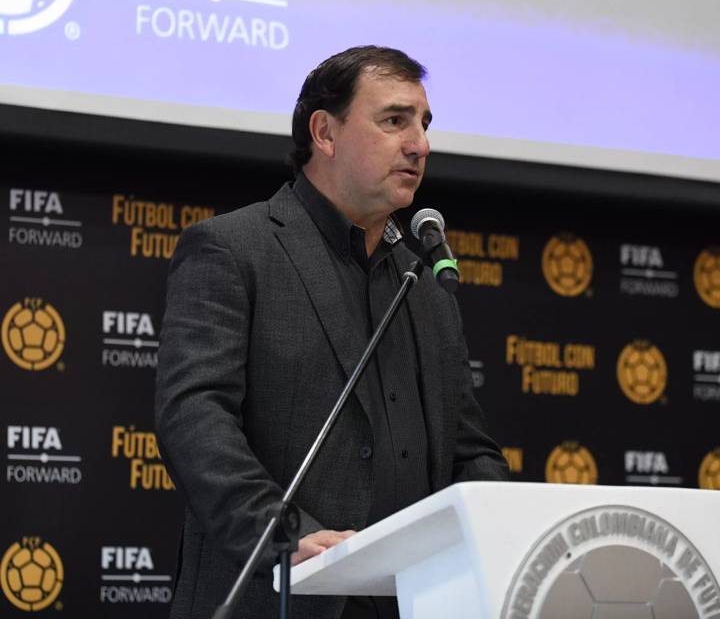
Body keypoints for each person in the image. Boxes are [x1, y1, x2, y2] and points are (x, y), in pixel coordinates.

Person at [155, 46, 509, 619]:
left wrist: (490, 533)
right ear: (325, 132)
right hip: (278, 597)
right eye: (394, 120)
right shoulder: (235, 251)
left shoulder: (424, 283)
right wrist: (281, 536)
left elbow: (470, 452)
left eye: (424, 124)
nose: (418, 144)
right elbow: (195, 418)